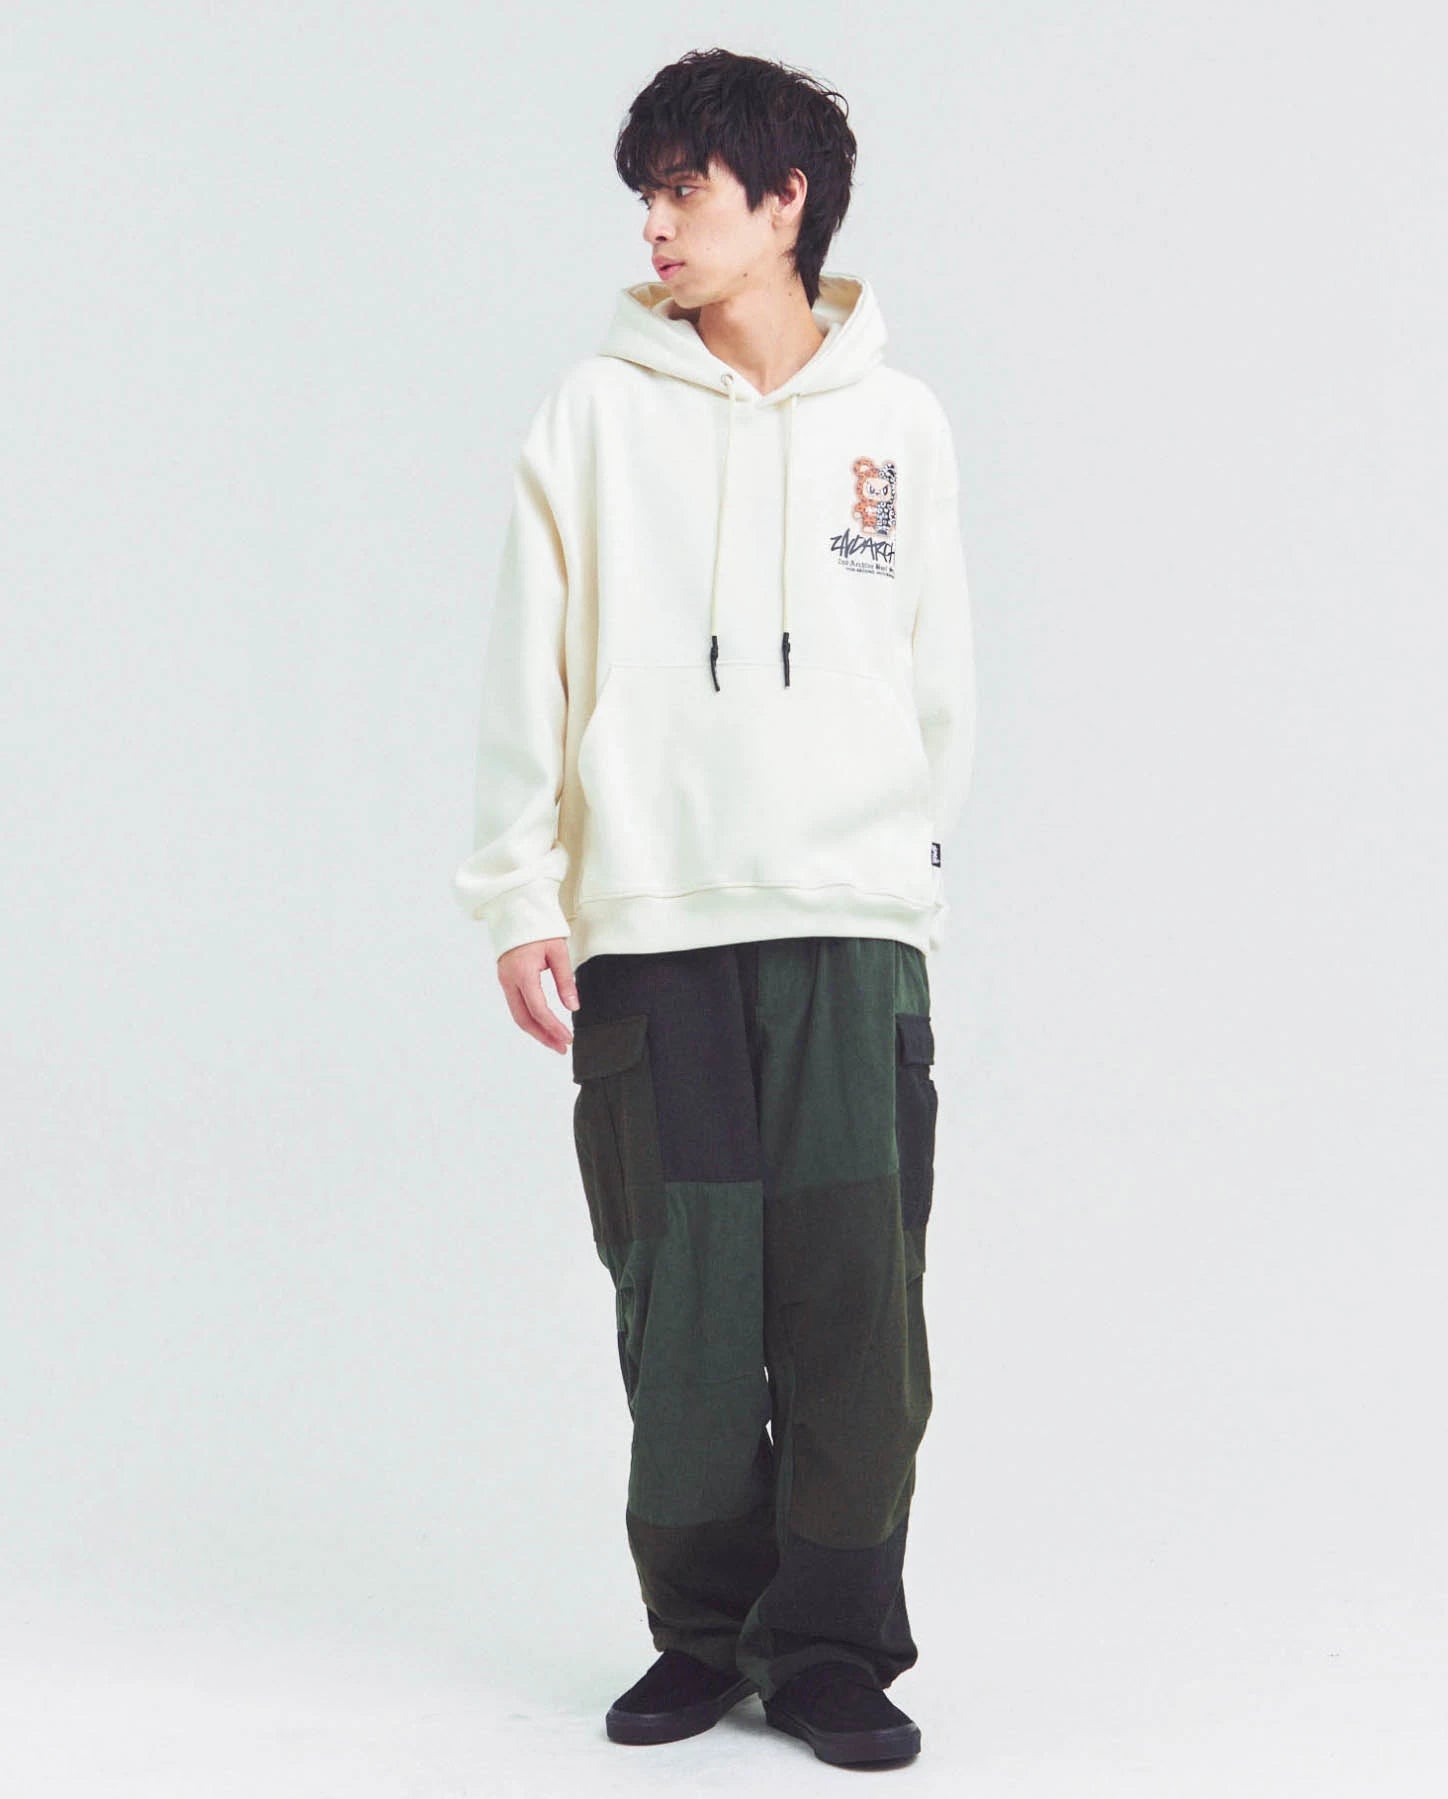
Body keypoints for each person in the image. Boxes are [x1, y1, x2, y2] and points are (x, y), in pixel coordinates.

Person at [451, 47, 976, 1768]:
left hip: (849, 928)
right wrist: (521, 891)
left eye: (686, 189)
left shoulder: (899, 427)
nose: (655, 225)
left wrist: (902, 881)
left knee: (855, 1313)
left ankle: (829, 1649)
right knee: (682, 1309)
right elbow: (527, 668)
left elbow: (941, 685)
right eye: (648, 194)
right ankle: (699, 1636)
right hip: (655, 927)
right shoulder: (593, 417)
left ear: (786, 200)